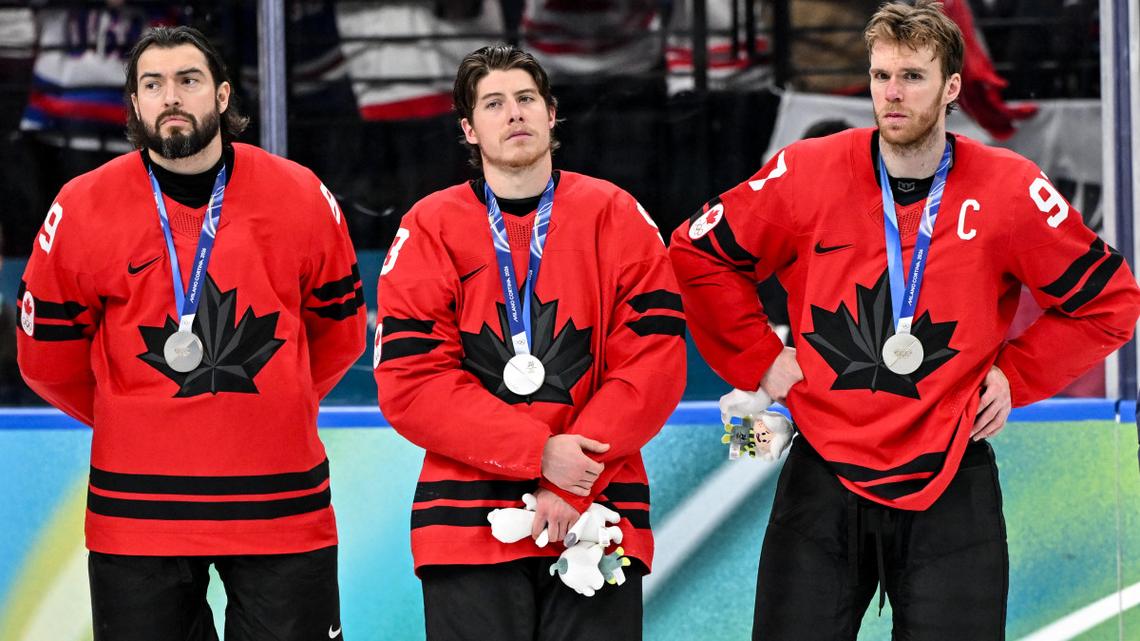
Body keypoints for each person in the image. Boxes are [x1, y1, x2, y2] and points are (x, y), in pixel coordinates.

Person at [668, 2, 1140, 640]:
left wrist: (1016, 376)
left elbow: (1110, 301)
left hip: (953, 469)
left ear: (951, 88)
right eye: (880, 75)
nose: (892, 93)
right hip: (822, 466)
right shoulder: (808, 172)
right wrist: (760, 359)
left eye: (913, 76)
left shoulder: (1007, 188)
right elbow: (697, 255)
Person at [17, 26, 366, 640]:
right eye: (152, 84)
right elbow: (46, 360)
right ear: (134, 103)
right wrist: (132, 417)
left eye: (189, 80)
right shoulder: (81, 205)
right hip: (137, 516)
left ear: (223, 95)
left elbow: (339, 334)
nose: (170, 96)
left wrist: (276, 409)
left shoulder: (300, 195)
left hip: (281, 508)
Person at [374, 44, 685, 640]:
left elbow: (653, 364)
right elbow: (412, 382)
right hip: (466, 522)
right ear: (469, 127)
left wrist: (569, 480)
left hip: (597, 516)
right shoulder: (429, 226)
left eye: (525, 99)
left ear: (550, 113)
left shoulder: (615, 215)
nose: (513, 113)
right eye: (493, 103)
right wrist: (540, 455)